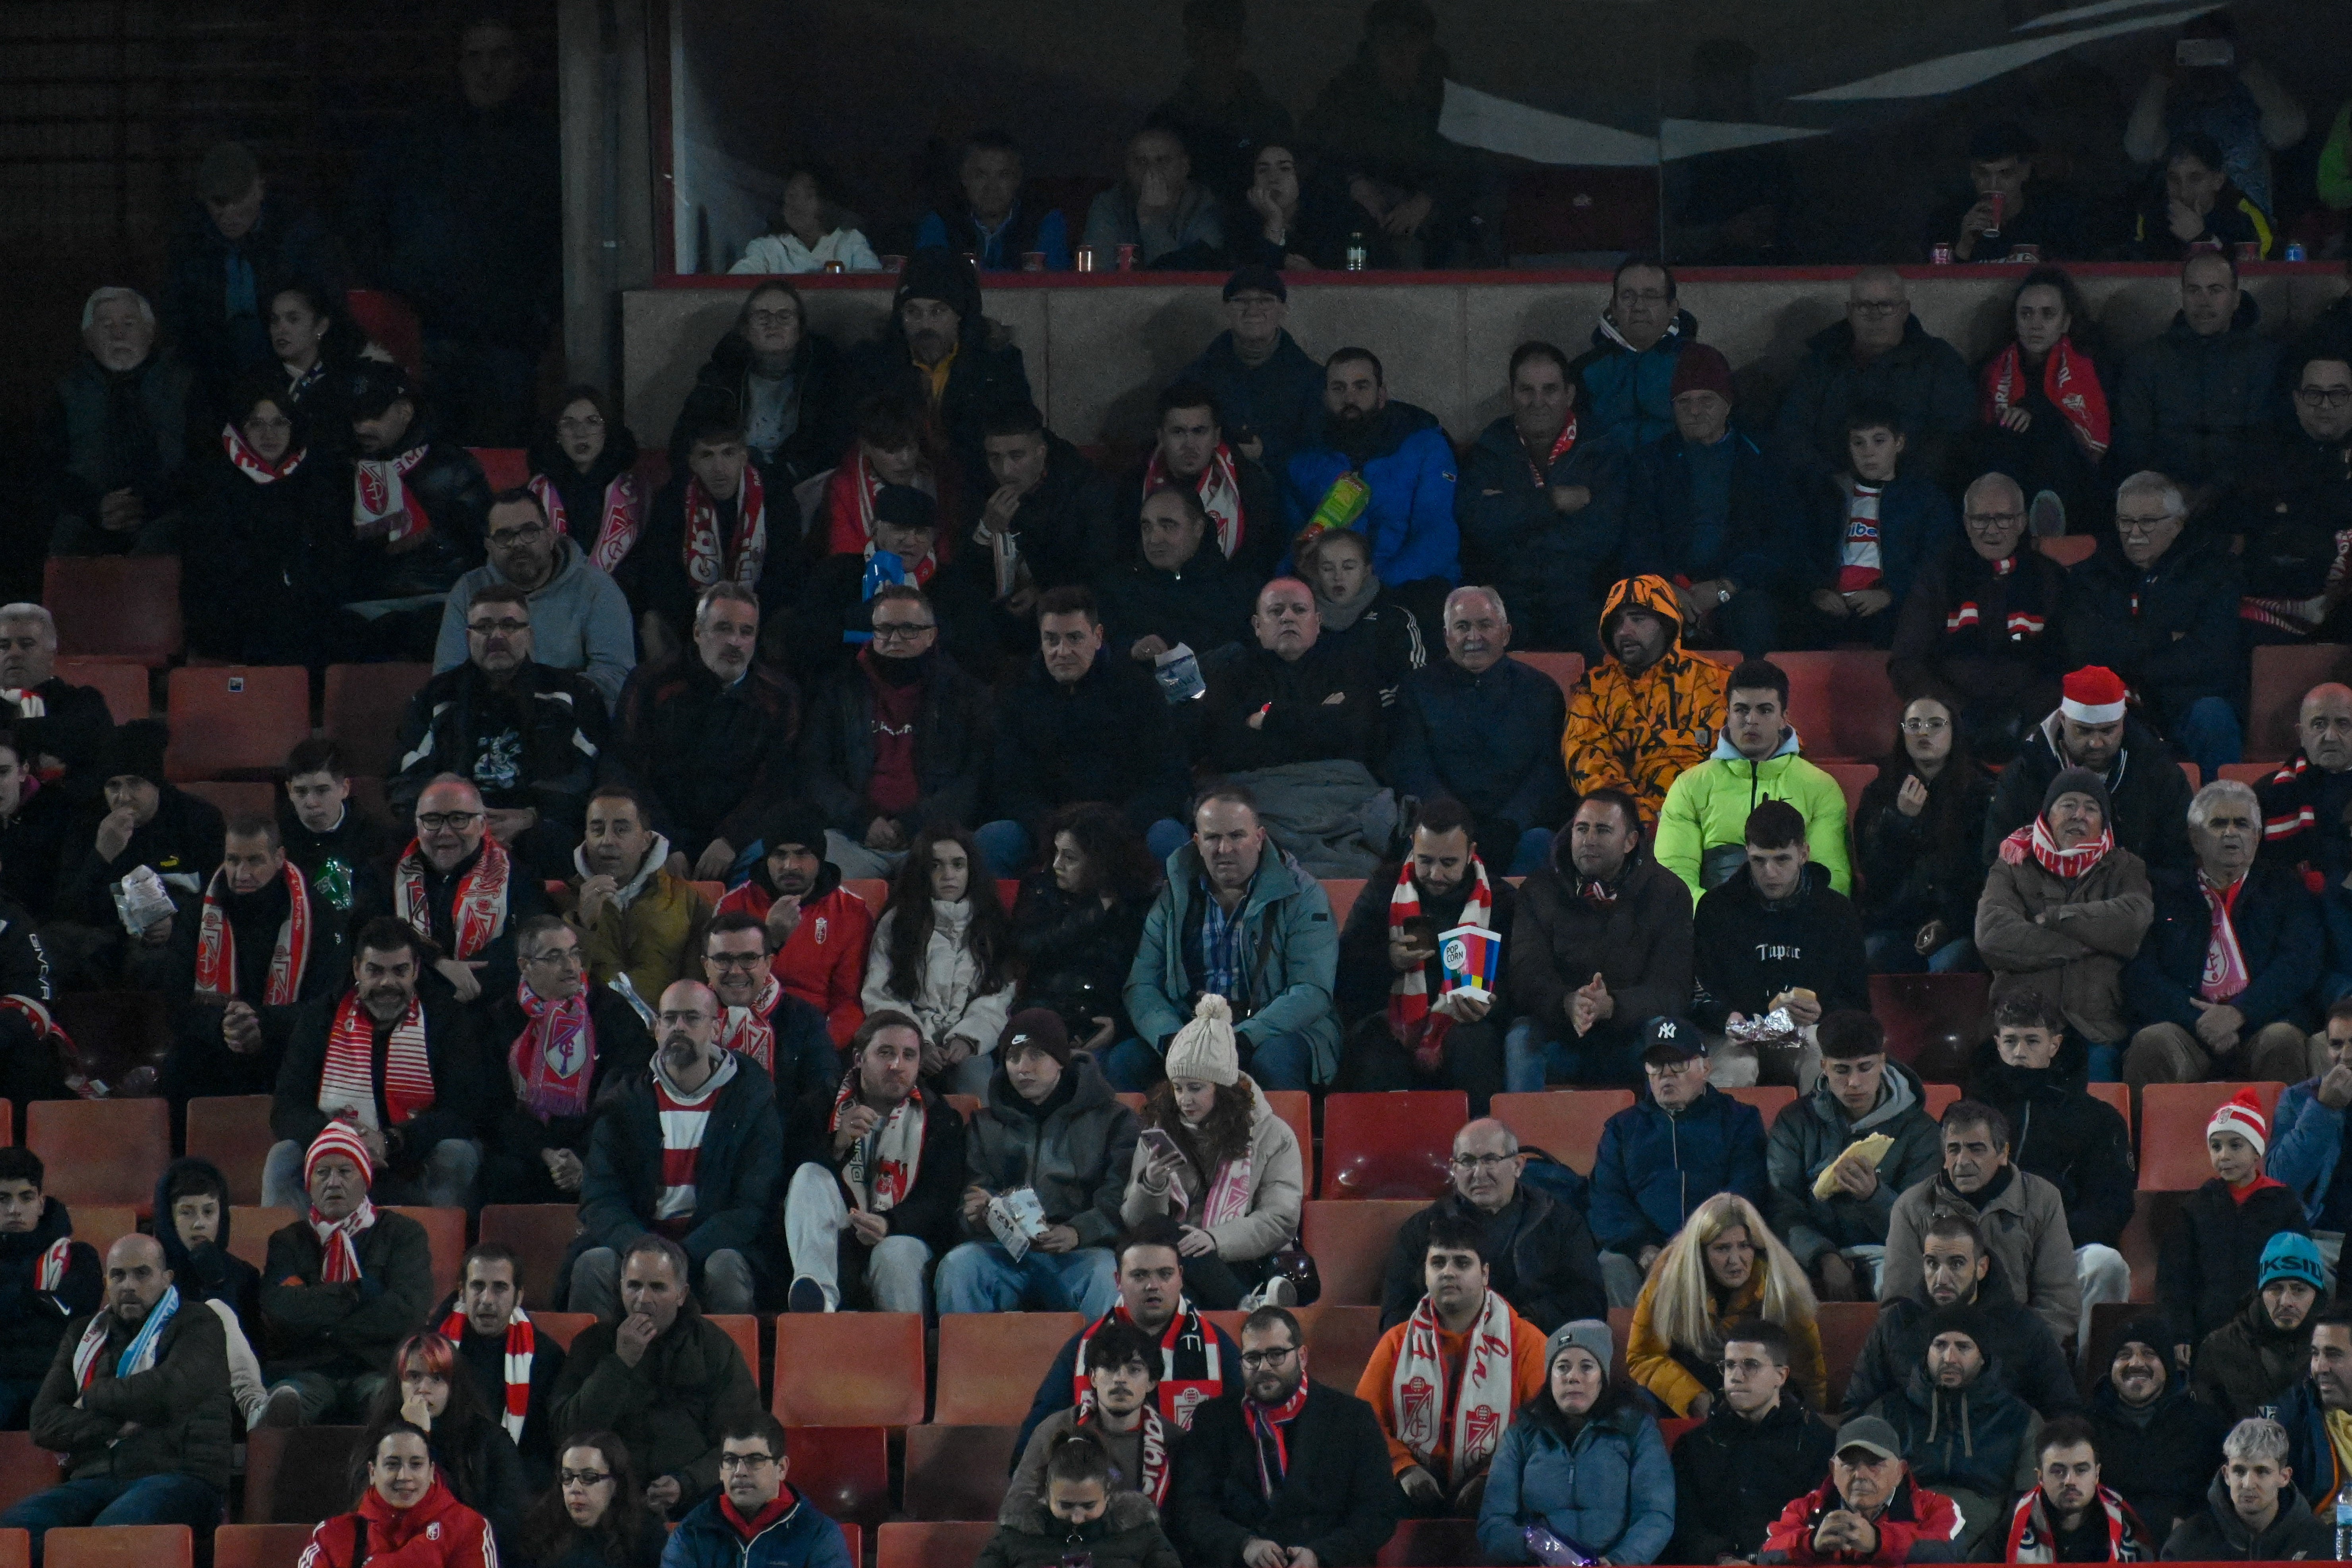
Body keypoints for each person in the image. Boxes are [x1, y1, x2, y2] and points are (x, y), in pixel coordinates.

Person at [343, 12, 558, 444]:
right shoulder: (419, 140)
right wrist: (402, 284)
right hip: (430, 339)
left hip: (509, 343)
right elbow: (366, 217)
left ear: (520, 64)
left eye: (499, 55)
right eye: (475, 56)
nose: (487, 67)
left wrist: (540, 314)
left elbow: (563, 243)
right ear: (459, 66)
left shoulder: (546, 146)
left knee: (502, 467)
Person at [3, 1232, 229, 1565]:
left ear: (167, 1279)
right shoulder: (83, 1334)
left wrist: (92, 1394)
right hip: (94, 1478)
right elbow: (43, 1422)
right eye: (118, 1275)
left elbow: (168, 1391)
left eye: (142, 1273)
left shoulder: (199, 1322)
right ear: (107, 1281)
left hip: (181, 1476)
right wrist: (114, 1425)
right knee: (13, 1532)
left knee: (110, 1534)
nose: (128, 1285)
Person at [573, 982, 780, 1317]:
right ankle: (592, 1368)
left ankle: (730, 1369)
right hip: (636, 1246)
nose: (678, 1027)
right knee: (592, 1265)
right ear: (657, 1029)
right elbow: (600, 1197)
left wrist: (680, 1256)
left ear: (716, 1027)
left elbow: (752, 1204)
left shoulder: (750, 1102)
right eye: (669, 1018)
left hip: (710, 1247)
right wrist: (643, 1252)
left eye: (691, 1018)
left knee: (725, 1267)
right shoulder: (622, 1101)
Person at [1123, 786, 1342, 1093]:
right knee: (1126, 1060)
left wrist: (1241, 1039)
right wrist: (1171, 1037)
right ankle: (1146, 1144)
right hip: (1191, 1027)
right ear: (1197, 842)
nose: (1224, 849)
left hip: (1273, 1030)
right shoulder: (1172, 895)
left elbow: (1312, 990)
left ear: (1259, 837)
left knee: (1274, 1060)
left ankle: (1286, 1143)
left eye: (1237, 836)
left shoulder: (1303, 894)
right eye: (1213, 838)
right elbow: (1141, 985)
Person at [261, 917, 487, 1210]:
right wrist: (341, 1137)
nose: (387, 983)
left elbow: (465, 1111)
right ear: (357, 968)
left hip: (414, 1156)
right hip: (337, 1153)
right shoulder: (321, 1018)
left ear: (417, 970)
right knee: (284, 1156)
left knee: (456, 1153)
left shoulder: (447, 1018)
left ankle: (437, 1252)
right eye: (375, 970)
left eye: (400, 971)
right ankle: (292, 1254)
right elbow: (286, 1109)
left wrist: (393, 1140)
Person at [392, 586, 609, 880]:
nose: (496, 636)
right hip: (451, 830)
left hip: (540, 829)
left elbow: (593, 774)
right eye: (484, 627)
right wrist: (460, 818)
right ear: (469, 638)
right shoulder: (438, 697)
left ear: (529, 636)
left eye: (509, 625)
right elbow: (406, 779)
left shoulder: (570, 694)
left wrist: (531, 816)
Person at [936, 1011, 1138, 1316]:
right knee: (959, 1265)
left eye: (1036, 1055)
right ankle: (966, 1365)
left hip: (1081, 1252)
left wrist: (1078, 1232)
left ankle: (1104, 1363)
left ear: (1060, 1060)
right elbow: (969, 1196)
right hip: (1003, 1252)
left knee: (1104, 1273)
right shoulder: (984, 1124)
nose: (1023, 1068)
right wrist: (977, 1216)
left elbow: (1119, 1197)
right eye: (1013, 1057)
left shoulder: (1113, 1119)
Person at [981, 585, 1191, 878]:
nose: (1062, 651)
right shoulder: (1017, 693)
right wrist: (1057, 832)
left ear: (1098, 637)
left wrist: (1115, 828)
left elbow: (1170, 776)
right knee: (993, 840)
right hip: (1045, 830)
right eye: (1051, 640)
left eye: (1074, 638)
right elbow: (1010, 785)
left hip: (1126, 827)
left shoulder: (1138, 690)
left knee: (1169, 837)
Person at [1171, 1303, 1403, 1566]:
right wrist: (1244, 1545)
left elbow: (1378, 1512)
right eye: (1252, 1357)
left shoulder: (1352, 1417)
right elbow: (1192, 1507)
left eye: (1276, 1354)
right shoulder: (1213, 1419)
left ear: (1302, 1356)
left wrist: (1319, 1556)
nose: (1263, 1366)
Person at [549, 1234, 761, 1519]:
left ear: (682, 1294)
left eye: (658, 1287)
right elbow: (567, 1432)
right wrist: (620, 1364)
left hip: (697, 1501)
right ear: (621, 1287)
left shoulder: (714, 1346)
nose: (643, 1300)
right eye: (634, 1286)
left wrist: (686, 1482)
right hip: (609, 1502)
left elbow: (742, 1438)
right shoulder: (591, 1345)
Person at [1965, 995, 2137, 1345]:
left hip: (2062, 1252)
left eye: (2032, 1041)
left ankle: (2086, 1382)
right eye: (2010, 1041)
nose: (2019, 1052)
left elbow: (2111, 1207)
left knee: (2106, 1264)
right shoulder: (1967, 1117)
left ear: (2054, 1045)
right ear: (1997, 1044)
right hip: (1983, 1254)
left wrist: (2045, 1242)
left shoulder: (2100, 1120)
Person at [2125, 779, 2319, 1088]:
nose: (2231, 833)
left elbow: (2300, 964)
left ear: (2256, 837)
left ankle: (2287, 1137)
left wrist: (2241, 1012)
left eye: (2242, 824)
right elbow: (2141, 972)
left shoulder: (2284, 888)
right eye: (2218, 823)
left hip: (2262, 1023)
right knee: (2151, 1043)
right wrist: (2199, 1020)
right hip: (2186, 1028)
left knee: (2283, 1040)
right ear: (2195, 837)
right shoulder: (2160, 890)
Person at [1196, 577, 1392, 878]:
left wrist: (1270, 719)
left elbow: (1357, 737)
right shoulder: (1231, 670)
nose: (1288, 617)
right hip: (1264, 800)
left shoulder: (1350, 665)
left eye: (1299, 609)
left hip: (1342, 797)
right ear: (1257, 624)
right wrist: (1321, 719)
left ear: (1317, 622)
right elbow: (1230, 750)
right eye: (1276, 611)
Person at [1360, 1213, 1553, 1517]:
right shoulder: (1396, 1341)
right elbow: (1364, 1419)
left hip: (1502, 1481)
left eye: (1462, 1263)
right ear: (1425, 1273)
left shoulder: (1528, 1343)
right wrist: (1403, 1467)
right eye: (1438, 1263)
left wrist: (1492, 1475)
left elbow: (1544, 1427)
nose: (1448, 1272)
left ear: (1485, 1273)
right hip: (1410, 1483)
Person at [1505, 787, 1695, 1092]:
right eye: (1582, 828)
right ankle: (1519, 1138)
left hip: (1631, 1039)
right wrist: (1568, 1003)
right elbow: (1526, 975)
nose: (1588, 839)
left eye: (1603, 830)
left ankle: (1660, 1135)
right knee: (1520, 1037)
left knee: (1665, 1034)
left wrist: (1612, 1006)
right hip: (1560, 1034)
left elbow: (1672, 990)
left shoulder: (1668, 893)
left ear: (1630, 841)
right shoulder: (1539, 889)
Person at [157, 809, 347, 1113]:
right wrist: (225, 1027)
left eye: (255, 860)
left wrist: (262, 1023)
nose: (242, 873)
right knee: (180, 1065)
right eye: (233, 860)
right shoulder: (197, 915)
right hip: (216, 1041)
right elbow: (176, 1001)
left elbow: (328, 1002)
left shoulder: (318, 915)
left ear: (279, 857)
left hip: (288, 1042)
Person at [799, 584, 992, 882]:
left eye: (909, 629)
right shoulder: (838, 690)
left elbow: (973, 775)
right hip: (852, 836)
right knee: (834, 893)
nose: (895, 639)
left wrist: (913, 823)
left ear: (932, 634)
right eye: (885, 629)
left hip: (932, 836)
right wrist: (862, 820)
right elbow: (816, 769)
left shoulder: (964, 694)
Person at [1121, 1001, 1305, 1310]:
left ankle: (1238, 1299)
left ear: (1223, 1088)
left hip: (1240, 1256)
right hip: (1171, 1260)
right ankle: (1247, 1305)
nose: (1184, 1100)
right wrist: (1151, 1184)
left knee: (1177, 1270)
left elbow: (1280, 1218)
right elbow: (1138, 1224)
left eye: (1195, 1088)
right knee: (1164, 1235)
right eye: (1177, 1088)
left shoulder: (1272, 1134)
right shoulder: (1159, 1132)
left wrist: (1215, 1239)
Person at [779, 1009, 964, 1314]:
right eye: (885, 1053)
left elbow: (939, 1199)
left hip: (903, 1237)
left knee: (893, 1253)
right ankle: (817, 1299)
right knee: (809, 1174)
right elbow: (792, 1188)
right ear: (859, 1059)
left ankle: (904, 1358)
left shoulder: (940, 1117)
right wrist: (837, 1144)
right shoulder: (819, 1104)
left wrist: (890, 1224)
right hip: (834, 1234)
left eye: (908, 1056)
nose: (897, 1065)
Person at [1335, 799, 1516, 1110]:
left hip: (1465, 1026)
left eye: (1448, 863)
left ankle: (1480, 1151)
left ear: (1471, 852)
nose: (1435, 874)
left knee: (1474, 1043)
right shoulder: (1383, 888)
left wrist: (1491, 1004)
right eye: (1425, 860)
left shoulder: (1500, 901)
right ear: (1411, 846)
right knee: (1375, 1049)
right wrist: (1389, 960)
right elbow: (1344, 972)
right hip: (1392, 1018)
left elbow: (1520, 979)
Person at [1976, 768, 2155, 1082]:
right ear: (2047, 815)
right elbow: (1993, 937)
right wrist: (2093, 940)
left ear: (2104, 820)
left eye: (2091, 807)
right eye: (2068, 805)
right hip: (2023, 1027)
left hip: (2096, 1028)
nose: (2079, 815)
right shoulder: (2014, 861)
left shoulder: (2125, 866)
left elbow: (2133, 919)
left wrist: (2057, 919)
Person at [1013, 1220, 1245, 1461]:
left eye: (1165, 1274)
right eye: (1139, 1275)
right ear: (1118, 1281)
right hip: (1106, 1486)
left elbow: (1245, 1437)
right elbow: (1034, 1441)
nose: (1153, 1286)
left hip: (1194, 1489)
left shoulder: (1216, 1347)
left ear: (1181, 1278)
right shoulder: (1084, 1347)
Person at [614, 584, 799, 883]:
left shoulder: (779, 697)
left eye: (746, 632)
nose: (735, 642)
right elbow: (626, 769)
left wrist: (731, 839)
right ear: (698, 633)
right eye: (723, 628)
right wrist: (665, 842)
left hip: (738, 841)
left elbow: (777, 783)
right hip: (657, 833)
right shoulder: (650, 685)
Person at [2063, 473, 2245, 778]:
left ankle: (2220, 809)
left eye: (2147, 522)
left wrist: (2131, 658)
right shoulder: (2092, 574)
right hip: (2116, 705)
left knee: (2214, 717)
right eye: (2125, 521)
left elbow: (2213, 656)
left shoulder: (2213, 574)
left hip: (2187, 702)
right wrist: (2164, 638)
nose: (2134, 533)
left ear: (2176, 524)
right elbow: (2084, 649)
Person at [256, 1122, 436, 1425]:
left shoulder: (403, 1234)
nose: (333, 1182)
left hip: (376, 1367)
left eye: (345, 1171)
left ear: (366, 1179)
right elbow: (278, 1310)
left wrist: (325, 1324)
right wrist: (358, 1292)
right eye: (322, 1172)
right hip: (307, 1370)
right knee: (286, 1402)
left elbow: (407, 1310)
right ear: (309, 1184)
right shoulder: (288, 1241)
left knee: (390, 1402)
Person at [1454, 342, 1626, 656]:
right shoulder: (1490, 447)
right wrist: (1552, 502)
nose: (1538, 402)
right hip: (1508, 595)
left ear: (1569, 394)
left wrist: (1514, 510)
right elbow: (1479, 524)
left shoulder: (1601, 449)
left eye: (1549, 390)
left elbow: (1601, 536)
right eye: (1526, 390)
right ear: (1511, 395)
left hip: (1580, 595)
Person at [1386, 586, 1570, 877]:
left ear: (1506, 633)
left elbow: (1549, 773)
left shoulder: (1541, 691)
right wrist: (1455, 824)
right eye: (1462, 627)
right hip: (1441, 828)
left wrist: (1510, 823)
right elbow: (1412, 768)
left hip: (1518, 831)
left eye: (1485, 625)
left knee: (1541, 844)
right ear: (1447, 637)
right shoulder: (1416, 690)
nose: (1474, 637)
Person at [1624, 347, 1795, 658]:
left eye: (1706, 400)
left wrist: (1726, 585)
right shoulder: (1651, 461)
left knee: (1755, 616)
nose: (1694, 411)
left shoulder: (1762, 459)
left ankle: (1752, 702)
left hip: (1738, 587)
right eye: (1684, 402)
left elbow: (1778, 541)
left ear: (1727, 406)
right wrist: (1667, 586)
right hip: (1669, 584)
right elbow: (1638, 537)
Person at [1887, 475, 2070, 764]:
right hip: (1951, 727)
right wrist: (1954, 714)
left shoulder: (2050, 578)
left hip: (2034, 724)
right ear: (1965, 522)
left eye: (2003, 519)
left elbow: (2068, 664)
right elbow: (1906, 662)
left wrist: (2024, 712)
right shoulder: (1937, 576)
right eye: (1980, 519)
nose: (1991, 530)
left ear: (2022, 522)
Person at [1766, 1011, 1945, 1304]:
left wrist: (1873, 1196)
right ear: (1823, 1067)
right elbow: (1782, 1204)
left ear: (1882, 1063)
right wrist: (1823, 1256)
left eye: (1865, 1068)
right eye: (1841, 1070)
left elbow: (1921, 1224)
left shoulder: (1918, 1128)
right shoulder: (1795, 1121)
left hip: (1888, 1249)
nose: (1853, 1082)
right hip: (1808, 1252)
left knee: (1906, 1287)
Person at [1299, 0, 1492, 269]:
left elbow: (1475, 165)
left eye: (1410, 40)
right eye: (1388, 40)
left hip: (1438, 235)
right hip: (1363, 230)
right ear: (1373, 46)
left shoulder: (1451, 100)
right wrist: (1354, 183)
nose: (1398, 51)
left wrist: (1428, 199)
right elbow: (1312, 152)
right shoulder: (1345, 96)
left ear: (1425, 46)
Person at [1690, 801, 1870, 1084]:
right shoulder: (1716, 909)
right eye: (1758, 860)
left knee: (1821, 1050)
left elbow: (1857, 999)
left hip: (1804, 1032)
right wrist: (1726, 1017)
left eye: (1782, 859)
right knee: (1736, 1067)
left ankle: (1821, 1129)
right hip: (1736, 1035)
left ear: (1804, 853)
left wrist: (1824, 1010)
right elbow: (1698, 992)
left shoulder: (1835, 911)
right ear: (1746, 854)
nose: (1770, 873)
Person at [482, 915, 655, 1206]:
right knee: (501, 1172)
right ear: (526, 966)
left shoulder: (610, 1010)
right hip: (528, 1148)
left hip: (595, 1145)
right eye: (555, 956)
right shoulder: (501, 1019)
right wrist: (545, 1153)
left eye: (575, 953)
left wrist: (583, 1155)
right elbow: (491, 1104)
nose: (571, 965)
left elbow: (625, 1093)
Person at [1883, 1102, 2086, 1350]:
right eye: (1953, 1150)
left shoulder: (2042, 1199)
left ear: (2003, 1153)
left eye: (1976, 1149)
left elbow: (2058, 1302)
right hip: (1939, 1353)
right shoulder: (1912, 1205)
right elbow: (1901, 1305)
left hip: (2022, 1350)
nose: (1962, 1161)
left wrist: (2021, 1355)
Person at [1594, 1031, 1773, 1310]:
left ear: (1706, 1067)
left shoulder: (1739, 1119)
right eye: (1656, 1066)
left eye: (1677, 1063)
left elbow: (1747, 1188)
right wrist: (1644, 1248)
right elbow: (1607, 1198)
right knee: (1612, 1261)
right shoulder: (1622, 1128)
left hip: (1716, 1240)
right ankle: (1634, 1346)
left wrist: (1698, 1240)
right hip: (1647, 1251)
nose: (1666, 1074)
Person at [1379, 1118, 1609, 1334]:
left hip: (1536, 1343)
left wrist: (1525, 1324)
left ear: (1518, 1166)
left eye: (1490, 1160)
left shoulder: (1560, 1221)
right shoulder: (1422, 1229)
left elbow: (1589, 1301)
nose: (1479, 1174)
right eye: (1468, 1161)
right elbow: (1395, 1314)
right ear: (1454, 1168)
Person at [1474, 1316, 1675, 1562]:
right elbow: (1493, 1523)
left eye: (1587, 1367)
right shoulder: (1521, 1434)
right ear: (1550, 1379)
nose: (1573, 1377)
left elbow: (1656, 1515)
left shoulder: (1636, 1429)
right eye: (1563, 1367)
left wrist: (1619, 1561)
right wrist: (1534, 1549)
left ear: (1604, 1376)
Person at [184, 373, 351, 665]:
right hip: (237, 615)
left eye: (279, 423)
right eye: (256, 424)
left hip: (303, 612)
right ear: (241, 429)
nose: (269, 434)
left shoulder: (316, 478)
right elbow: (210, 568)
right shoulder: (216, 481)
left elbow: (331, 557)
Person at [1845, 1213, 2079, 1420]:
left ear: (1982, 1267)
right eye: (1932, 1264)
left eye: (1956, 1264)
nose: (1941, 1278)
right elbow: (1857, 1411)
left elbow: (2062, 1413)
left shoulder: (2024, 1327)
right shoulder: (1896, 1323)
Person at [1655, 658, 1852, 900]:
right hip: (1714, 926)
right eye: (1741, 710)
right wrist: (1715, 917)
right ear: (1727, 715)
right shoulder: (1689, 786)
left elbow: (1832, 878)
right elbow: (1675, 878)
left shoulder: (1820, 787)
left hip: (1796, 926)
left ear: (1784, 718)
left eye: (1765, 710)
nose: (1751, 720)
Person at [335, 362, 493, 659]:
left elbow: (484, 546)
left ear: (405, 412)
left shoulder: (452, 468)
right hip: (367, 604)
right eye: (356, 415)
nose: (361, 427)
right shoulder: (342, 471)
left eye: (374, 414)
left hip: (441, 598)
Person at [161, 140, 333, 409]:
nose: (230, 213)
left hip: (291, 368)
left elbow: (326, 307)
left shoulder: (298, 236)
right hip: (213, 374)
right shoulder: (188, 243)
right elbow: (177, 321)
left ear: (259, 190)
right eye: (220, 202)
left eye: (239, 199)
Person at [432, 487, 636, 713]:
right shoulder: (466, 591)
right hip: (487, 721)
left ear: (550, 536)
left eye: (529, 531)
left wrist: (550, 702)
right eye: (504, 536)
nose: (518, 543)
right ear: (489, 547)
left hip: (569, 719)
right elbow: (447, 677)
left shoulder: (597, 588)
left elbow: (616, 675)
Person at [850, 247, 1032, 498]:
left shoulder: (997, 362)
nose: (925, 325)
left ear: (959, 315)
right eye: (913, 312)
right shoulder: (874, 362)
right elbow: (864, 437)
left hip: (975, 485)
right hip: (894, 488)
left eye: (938, 312)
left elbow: (1017, 433)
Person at [1862, 1314, 2043, 1562]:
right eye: (1940, 1346)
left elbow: (2028, 1503)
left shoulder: (2020, 1420)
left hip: (1989, 1549)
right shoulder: (1887, 1414)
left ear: (1982, 1357)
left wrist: (1987, 1554)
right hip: (1899, 1546)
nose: (1949, 1358)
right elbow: (1861, 1489)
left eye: (1963, 1347)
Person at [1773, 268, 1974, 489]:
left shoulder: (1938, 361)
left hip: (1914, 496)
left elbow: (1952, 436)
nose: (1875, 315)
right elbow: (1793, 432)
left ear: (1904, 310)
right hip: (1828, 493)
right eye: (1864, 306)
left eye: (1886, 306)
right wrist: (1833, 484)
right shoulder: (1820, 362)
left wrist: (1899, 487)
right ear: (1849, 311)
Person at [1626, 1192, 1827, 1413]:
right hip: (1692, 1393)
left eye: (1744, 1246)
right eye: (1722, 1248)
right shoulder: (1668, 1281)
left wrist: (1816, 1425)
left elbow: (1808, 1372)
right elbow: (1643, 1356)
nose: (1736, 1260)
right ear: (1700, 1253)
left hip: (1758, 1396)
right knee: (1641, 1399)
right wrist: (1694, 1399)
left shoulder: (1782, 1287)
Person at [372, 772, 556, 1010]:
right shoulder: (383, 874)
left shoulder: (520, 877)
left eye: (459, 819)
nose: (445, 832)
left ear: (482, 825)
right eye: (432, 820)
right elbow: (372, 936)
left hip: (490, 1007)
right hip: (404, 1005)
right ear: (417, 826)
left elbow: (530, 943)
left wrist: (467, 979)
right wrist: (436, 964)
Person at [1284, 348, 1460, 595]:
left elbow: (1437, 535)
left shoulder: (1425, 445)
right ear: (1325, 396)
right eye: (1339, 388)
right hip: (1330, 595)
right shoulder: (1304, 459)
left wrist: (1377, 587)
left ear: (1382, 394)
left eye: (1361, 387)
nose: (1350, 399)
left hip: (1410, 589)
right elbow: (1290, 543)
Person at [1984, 666, 2194, 873]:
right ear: (2063, 719)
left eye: (2107, 731)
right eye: (2083, 731)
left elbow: (2178, 864)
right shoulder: (2026, 772)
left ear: (2123, 721)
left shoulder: (2159, 774)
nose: (2096, 743)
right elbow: (1997, 861)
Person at [1561, 576, 1731, 830]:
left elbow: (1750, 754)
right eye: (1616, 623)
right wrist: (1645, 821)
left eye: (1637, 619)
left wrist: (1691, 819)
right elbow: (1588, 764)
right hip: (1628, 831)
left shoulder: (1717, 681)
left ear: (1666, 622)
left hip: (1712, 823)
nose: (1624, 631)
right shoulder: (1593, 690)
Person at [857, 825, 1015, 1099]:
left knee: (976, 1086)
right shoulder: (897, 923)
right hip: (907, 1040)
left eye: (958, 865)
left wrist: (967, 1038)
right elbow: (880, 992)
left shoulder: (991, 924)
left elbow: (997, 995)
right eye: (936, 866)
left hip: (968, 1047)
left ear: (971, 871)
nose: (949, 875)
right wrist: (918, 1041)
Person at [2158, 1089, 2314, 1363]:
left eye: (2235, 1145)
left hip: (2268, 1332)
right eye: (2215, 1146)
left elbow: (2300, 1271)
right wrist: (2179, 1331)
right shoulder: (2196, 1206)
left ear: (2257, 1151)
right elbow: (2175, 1276)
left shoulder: (2283, 1202)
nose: (2224, 1155)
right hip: (2209, 1331)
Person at [1668, 1319, 1840, 1566]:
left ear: (1781, 1376)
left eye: (1751, 1365)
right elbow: (1685, 1524)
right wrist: (1721, 1558)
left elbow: (1822, 1522)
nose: (1736, 1377)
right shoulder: (1694, 1446)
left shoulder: (1818, 1442)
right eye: (1729, 1366)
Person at [2114, 256, 2281, 506]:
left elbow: (2266, 441)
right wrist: (2172, 490)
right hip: (2162, 498)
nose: (2204, 302)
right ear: (2182, 296)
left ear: (2236, 299)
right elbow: (2134, 441)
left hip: (2243, 498)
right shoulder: (2147, 360)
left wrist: (2217, 491)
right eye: (2194, 290)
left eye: (2216, 290)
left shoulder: (2264, 359)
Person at [1794, 403, 1955, 651]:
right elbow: (1801, 551)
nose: (1868, 452)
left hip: (1893, 606)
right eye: (1859, 443)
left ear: (1899, 444)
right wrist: (1817, 591)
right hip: (1833, 604)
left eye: (1879, 441)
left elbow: (1937, 558)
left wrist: (1890, 595)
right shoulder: (1829, 496)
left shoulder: (1923, 500)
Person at [712, 803, 873, 1051]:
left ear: (819, 858)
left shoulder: (851, 911)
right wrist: (771, 941)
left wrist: (820, 1047)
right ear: (766, 859)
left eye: (802, 854)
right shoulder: (735, 905)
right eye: (779, 854)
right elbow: (726, 990)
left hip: (818, 1036)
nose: (790, 865)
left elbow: (848, 1003)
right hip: (747, 1032)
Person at [46, 286, 191, 556]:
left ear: (150, 332)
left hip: (166, 511)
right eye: (106, 325)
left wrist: (147, 503)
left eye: (129, 323)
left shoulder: (183, 386)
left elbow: (199, 463)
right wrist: (96, 507)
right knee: (68, 538)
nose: (118, 333)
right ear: (88, 338)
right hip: (91, 515)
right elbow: (50, 471)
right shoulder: (67, 393)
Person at [1857, 696, 1997, 974]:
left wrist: (1949, 924)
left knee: (1949, 964)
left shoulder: (1982, 793)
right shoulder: (1880, 792)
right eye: (1913, 724)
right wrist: (1899, 820)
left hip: (1960, 925)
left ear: (1953, 732)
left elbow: (1987, 873)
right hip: (1895, 923)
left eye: (1935, 724)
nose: (1923, 733)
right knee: (1868, 955)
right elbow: (1873, 871)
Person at [55, 718, 226, 941]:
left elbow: (223, 896)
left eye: (134, 783)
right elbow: (68, 911)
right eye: (113, 786)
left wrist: (179, 921)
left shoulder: (198, 820)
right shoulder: (87, 824)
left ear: (156, 785)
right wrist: (101, 855)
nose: (124, 797)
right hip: (109, 941)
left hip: (183, 939)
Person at [359, 1331, 528, 1555]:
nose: (423, 1388)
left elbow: (509, 1523)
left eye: (437, 1378)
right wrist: (414, 1434)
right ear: (399, 1384)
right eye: (414, 1377)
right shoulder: (377, 1440)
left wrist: (421, 1436)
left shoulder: (491, 1441)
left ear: (453, 1386)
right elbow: (365, 1513)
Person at [1011, 804, 1157, 1061]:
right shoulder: (1039, 889)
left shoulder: (1137, 903)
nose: (1057, 864)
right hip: (1043, 1018)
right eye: (1056, 852)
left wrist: (1118, 1026)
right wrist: (1095, 911)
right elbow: (1028, 946)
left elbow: (1144, 978)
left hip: (1104, 1024)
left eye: (1070, 857)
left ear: (1100, 863)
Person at [1972, 268, 2111, 539]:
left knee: (2047, 430)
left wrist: (2038, 415)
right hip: (2006, 474)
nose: (2035, 324)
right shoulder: (1992, 369)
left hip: (2073, 480)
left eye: (2047, 314)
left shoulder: (2092, 367)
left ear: (2065, 322)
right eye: (2026, 314)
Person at [634, 402, 774, 655]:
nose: (719, 468)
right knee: (652, 623)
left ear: (744, 457)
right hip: (692, 615)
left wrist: (742, 607)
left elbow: (787, 570)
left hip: (759, 613)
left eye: (728, 453)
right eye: (707, 455)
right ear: (693, 463)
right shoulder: (673, 500)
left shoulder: (774, 496)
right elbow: (659, 573)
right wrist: (707, 609)